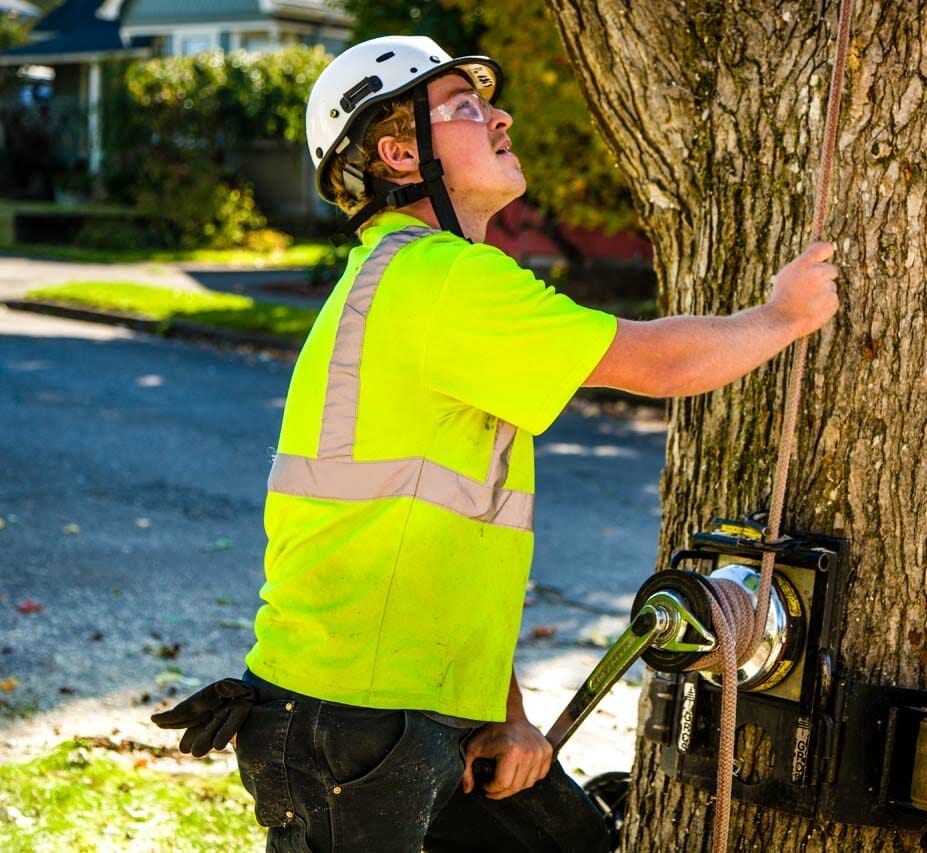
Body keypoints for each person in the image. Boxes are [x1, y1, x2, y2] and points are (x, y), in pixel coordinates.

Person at [153, 33, 837, 853]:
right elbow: (654, 362)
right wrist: (781, 317)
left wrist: (507, 715)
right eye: (466, 108)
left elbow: (450, 551)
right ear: (402, 153)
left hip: (394, 714)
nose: (502, 116)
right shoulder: (438, 277)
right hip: (354, 723)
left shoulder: (419, 280)